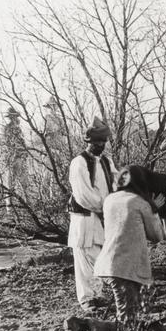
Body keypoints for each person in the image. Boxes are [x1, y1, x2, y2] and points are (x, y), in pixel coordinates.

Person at [64, 166, 164, 331]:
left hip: (107, 265)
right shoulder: (139, 202)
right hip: (125, 269)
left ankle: (88, 326)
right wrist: (154, 209)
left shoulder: (109, 199)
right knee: (129, 325)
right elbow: (157, 237)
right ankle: (82, 324)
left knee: (128, 317)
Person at [67, 116, 118, 311]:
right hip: (85, 218)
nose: (101, 145)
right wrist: (106, 206)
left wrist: (115, 203)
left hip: (103, 218)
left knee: (101, 257)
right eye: (98, 141)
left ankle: (98, 296)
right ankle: (88, 299)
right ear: (89, 141)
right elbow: (84, 195)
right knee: (84, 258)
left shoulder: (107, 161)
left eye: (103, 141)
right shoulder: (79, 163)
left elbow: (116, 183)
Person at [2, 107, 28, 212]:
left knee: (23, 182)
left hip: (19, 158)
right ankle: (9, 208)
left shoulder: (19, 129)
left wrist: (24, 155)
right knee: (9, 184)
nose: (14, 118)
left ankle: (27, 206)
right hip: (10, 159)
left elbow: (22, 144)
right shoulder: (7, 129)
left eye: (15, 116)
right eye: (12, 116)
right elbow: (7, 144)